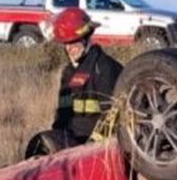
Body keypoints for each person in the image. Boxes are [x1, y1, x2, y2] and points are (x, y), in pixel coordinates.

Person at [50, 8, 123, 144]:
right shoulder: (68, 73)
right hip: (71, 144)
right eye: (66, 43)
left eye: (74, 42)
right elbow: (62, 115)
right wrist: (55, 139)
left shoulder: (104, 67)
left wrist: (93, 145)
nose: (69, 48)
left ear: (86, 38)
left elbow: (113, 116)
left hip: (98, 147)